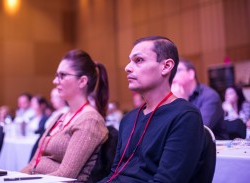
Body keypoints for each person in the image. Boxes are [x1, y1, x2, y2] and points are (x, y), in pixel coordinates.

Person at [100, 36, 209, 182]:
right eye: (130, 60)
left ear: (166, 66)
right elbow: (114, 175)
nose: (127, 67)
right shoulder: (128, 119)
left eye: (138, 60)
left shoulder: (185, 116)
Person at [21, 49, 109, 182]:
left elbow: (65, 175)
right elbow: (34, 162)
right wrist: (17, 177)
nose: (55, 81)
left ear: (82, 81)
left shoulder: (90, 120)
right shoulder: (60, 117)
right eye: (57, 75)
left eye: (62, 75)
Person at [172, 59, 228, 140]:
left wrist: (181, 103)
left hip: (216, 148)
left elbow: (197, 130)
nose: (173, 75)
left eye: (178, 70)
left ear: (191, 74)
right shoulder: (172, 96)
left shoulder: (209, 96)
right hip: (186, 146)